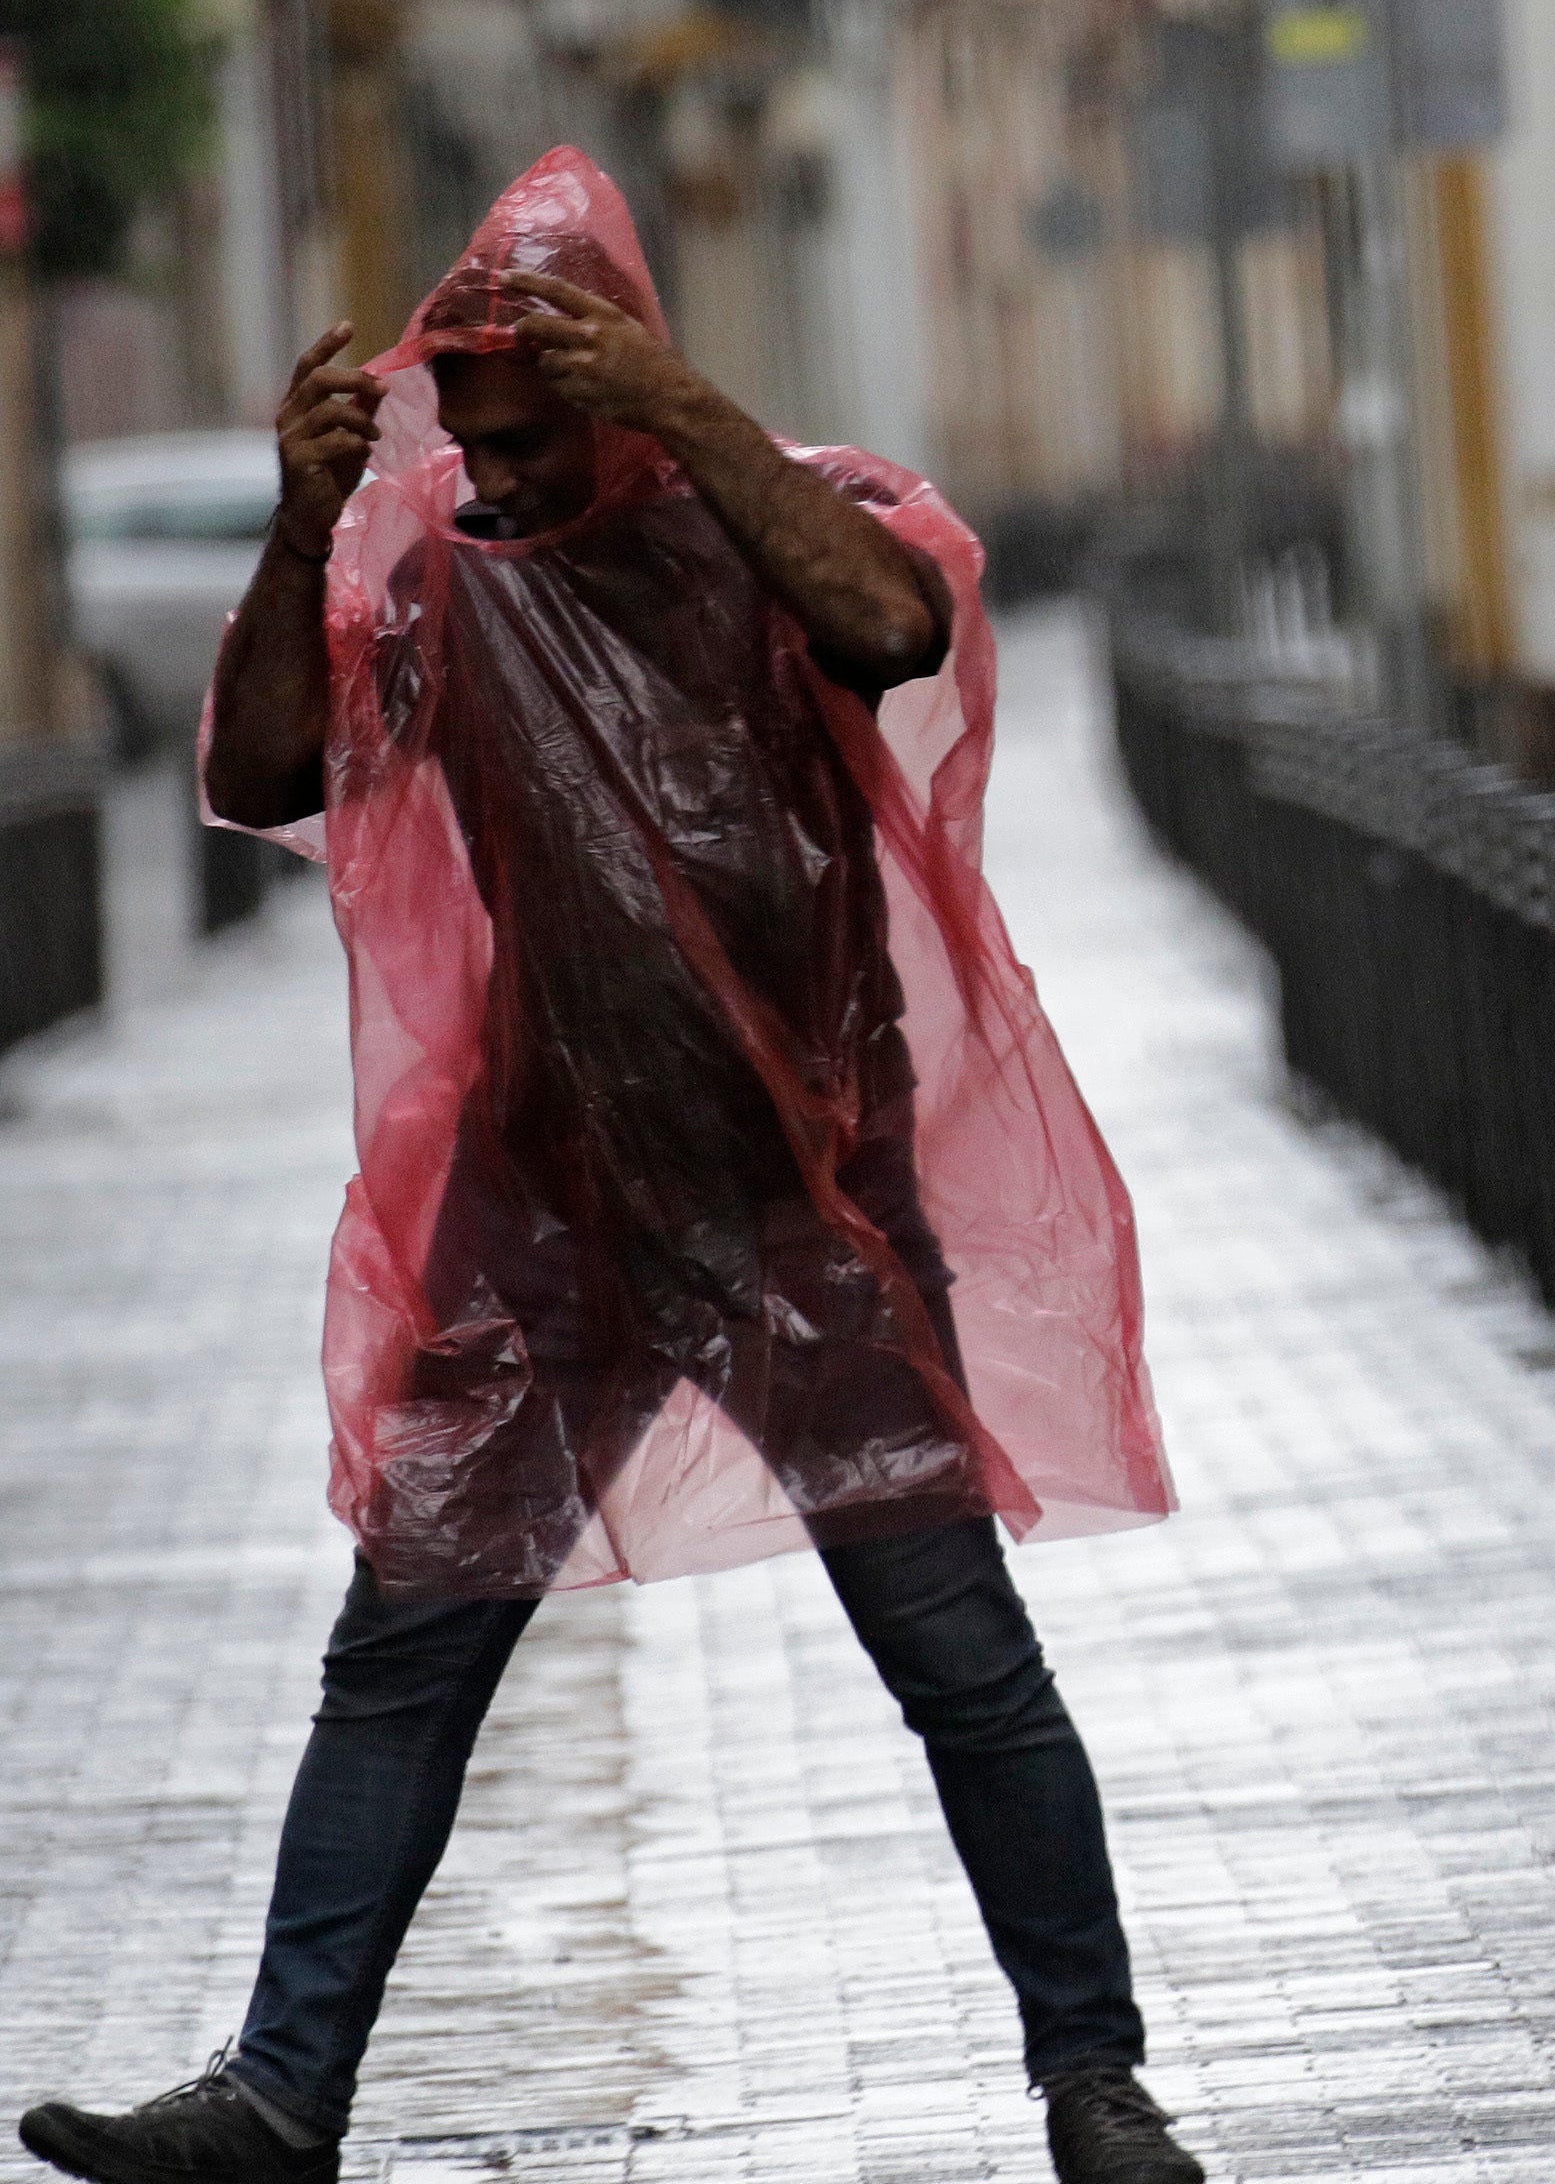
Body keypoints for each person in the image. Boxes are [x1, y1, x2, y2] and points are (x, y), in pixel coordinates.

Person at [16, 152, 1195, 2184]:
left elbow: (891, 622)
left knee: (957, 1658)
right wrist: (306, 519)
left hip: (800, 1199)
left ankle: (1095, 2085)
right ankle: (280, 2100)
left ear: (626, 384)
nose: (492, 478)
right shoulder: (445, 577)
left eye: (530, 438)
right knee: (404, 1656)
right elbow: (263, 768)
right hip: (545, 1203)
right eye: (467, 441)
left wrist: (687, 417)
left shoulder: (782, 517)